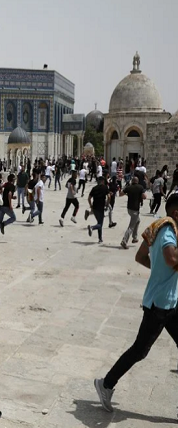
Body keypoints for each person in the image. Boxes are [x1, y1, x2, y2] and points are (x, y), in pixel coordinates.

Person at [95, 194, 178, 413]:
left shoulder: (158, 226)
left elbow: (141, 257)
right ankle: (105, 384)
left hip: (170, 303)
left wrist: (160, 273)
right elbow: (171, 259)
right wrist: (164, 268)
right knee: (140, 350)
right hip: (159, 306)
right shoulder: (169, 231)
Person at [120, 177, 147, 249]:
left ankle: (134, 238)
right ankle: (124, 241)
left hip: (129, 209)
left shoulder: (129, 187)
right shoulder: (140, 187)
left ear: (132, 181)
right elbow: (144, 197)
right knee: (131, 226)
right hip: (135, 209)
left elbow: (121, 194)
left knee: (137, 221)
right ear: (137, 181)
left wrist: (128, 193)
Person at [86, 176, 110, 244]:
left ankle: (100, 239)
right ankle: (92, 227)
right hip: (101, 207)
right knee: (100, 224)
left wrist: (91, 206)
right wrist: (107, 204)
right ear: (102, 181)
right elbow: (109, 196)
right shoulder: (105, 187)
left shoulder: (94, 188)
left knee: (99, 222)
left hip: (95, 207)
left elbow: (89, 198)